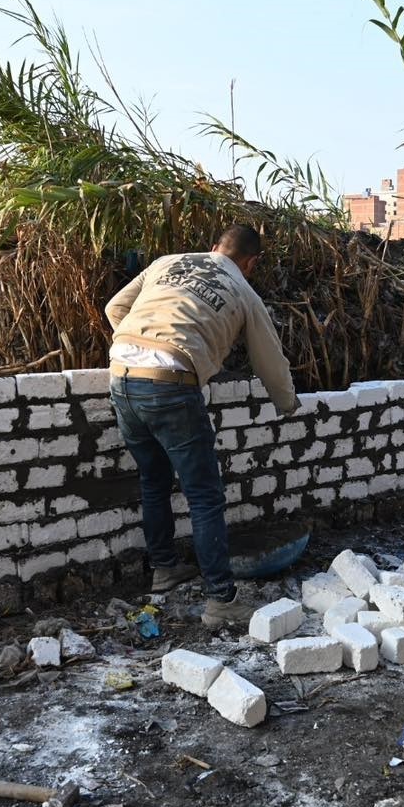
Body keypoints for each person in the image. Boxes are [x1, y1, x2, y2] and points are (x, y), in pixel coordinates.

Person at [104, 224, 300, 628]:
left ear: (213, 247)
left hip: (121, 374)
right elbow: (269, 359)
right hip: (170, 384)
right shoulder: (243, 290)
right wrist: (287, 404)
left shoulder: (167, 262)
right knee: (204, 496)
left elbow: (114, 309)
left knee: (153, 481)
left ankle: (164, 569)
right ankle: (221, 600)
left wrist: (143, 344)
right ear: (250, 263)